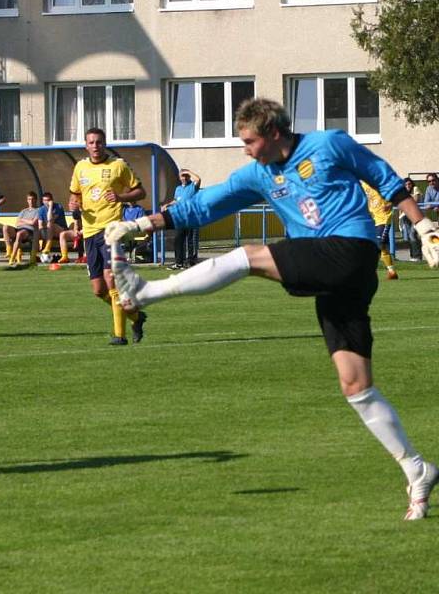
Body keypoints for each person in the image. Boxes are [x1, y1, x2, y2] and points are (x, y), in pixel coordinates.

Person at [107, 97, 439, 520]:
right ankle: (416, 467)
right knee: (355, 385)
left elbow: (383, 177)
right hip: (331, 276)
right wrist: (140, 223)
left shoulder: (329, 144)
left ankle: (148, 293)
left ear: (275, 133)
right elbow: (203, 206)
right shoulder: (257, 174)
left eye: (249, 141)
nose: (244, 148)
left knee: (248, 255)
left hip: (350, 250)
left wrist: (423, 225)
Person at [69, 127, 147, 346]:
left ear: (105, 143)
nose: (95, 146)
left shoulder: (118, 165)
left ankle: (119, 335)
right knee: (98, 290)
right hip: (89, 231)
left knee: (111, 279)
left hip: (111, 230)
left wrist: (120, 196)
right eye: (91, 142)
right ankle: (136, 316)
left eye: (99, 142)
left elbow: (141, 192)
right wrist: (74, 203)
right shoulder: (80, 167)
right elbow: (74, 195)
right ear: (86, 145)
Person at [163, 169, 201, 269]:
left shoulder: (192, 186)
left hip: (192, 217)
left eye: (186, 176)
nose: (184, 178)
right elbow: (176, 200)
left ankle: (190, 262)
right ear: (179, 178)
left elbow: (198, 179)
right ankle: (179, 262)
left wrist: (189, 171)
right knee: (178, 239)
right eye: (182, 176)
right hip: (181, 217)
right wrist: (167, 204)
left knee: (190, 240)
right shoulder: (178, 188)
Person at [361, 181, 398, 280]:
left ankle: (375, 271)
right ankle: (391, 271)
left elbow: (396, 195)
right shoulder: (364, 184)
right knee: (379, 246)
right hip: (373, 219)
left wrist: (390, 204)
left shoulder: (380, 182)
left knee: (380, 244)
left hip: (384, 219)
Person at [3, 191, 40, 266]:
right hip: (19, 229)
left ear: (36, 200)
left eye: (32, 199)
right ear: (27, 200)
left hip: (30, 231)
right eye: (29, 199)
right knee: (5, 227)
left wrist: (22, 220)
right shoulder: (23, 211)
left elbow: (33, 223)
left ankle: (12, 258)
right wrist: (28, 221)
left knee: (19, 234)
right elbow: (17, 223)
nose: (31, 201)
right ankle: (9, 250)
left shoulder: (38, 210)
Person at [37, 192, 67, 262]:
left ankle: (48, 246)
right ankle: (34, 256)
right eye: (45, 200)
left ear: (52, 200)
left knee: (50, 223)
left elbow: (50, 219)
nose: (46, 202)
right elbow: (40, 225)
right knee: (35, 232)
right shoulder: (41, 209)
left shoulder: (58, 207)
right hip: (48, 231)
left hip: (61, 230)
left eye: (48, 200)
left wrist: (50, 207)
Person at [399, 177, 423, 261]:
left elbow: (415, 200)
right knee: (409, 236)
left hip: (416, 215)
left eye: (409, 184)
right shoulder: (403, 192)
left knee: (412, 234)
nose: (408, 186)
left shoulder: (415, 189)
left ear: (412, 184)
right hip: (405, 216)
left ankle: (417, 256)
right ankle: (413, 256)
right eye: (406, 185)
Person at [58, 195, 84, 264]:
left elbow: (90, 225)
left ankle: (85, 257)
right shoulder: (76, 212)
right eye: (71, 201)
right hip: (79, 231)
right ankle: (65, 257)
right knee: (63, 234)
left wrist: (81, 232)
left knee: (86, 235)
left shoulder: (86, 210)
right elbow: (76, 224)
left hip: (88, 230)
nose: (73, 203)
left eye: (75, 201)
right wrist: (76, 232)